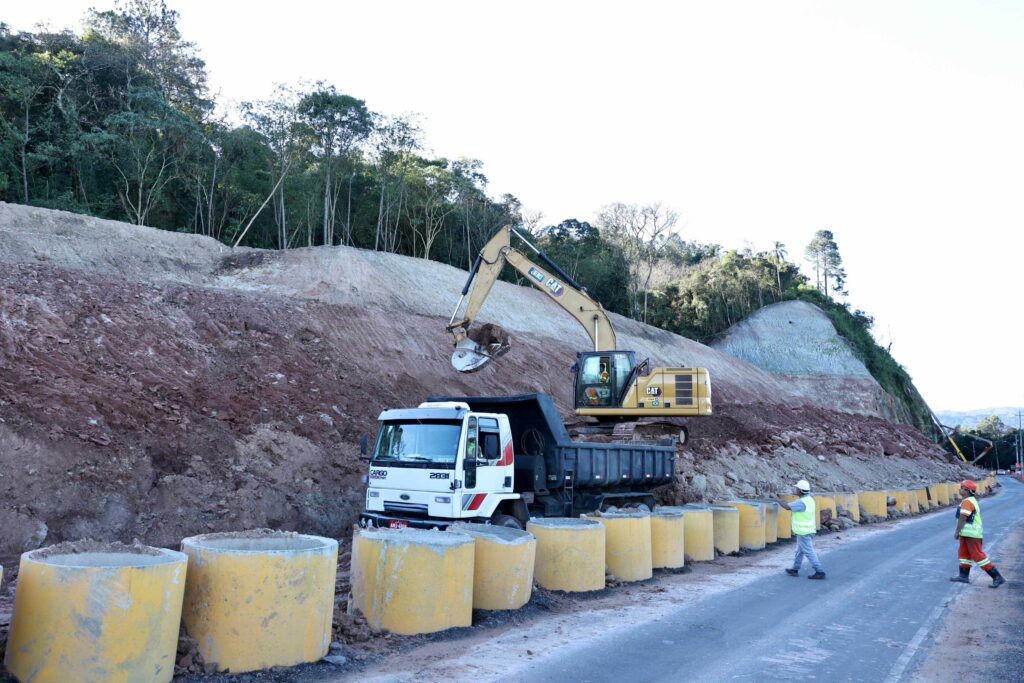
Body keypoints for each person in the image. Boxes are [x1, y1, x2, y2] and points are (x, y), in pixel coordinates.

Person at [951, 479, 1005, 588]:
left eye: (962, 487)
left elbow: (963, 518)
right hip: (967, 534)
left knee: (978, 556)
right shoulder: (968, 500)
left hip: (972, 534)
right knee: (964, 554)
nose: (960, 489)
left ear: (968, 490)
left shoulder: (968, 502)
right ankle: (963, 576)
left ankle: (997, 577)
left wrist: (957, 531)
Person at [776, 479, 826, 579]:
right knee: (799, 551)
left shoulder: (802, 502)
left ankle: (819, 571)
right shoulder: (808, 499)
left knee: (809, 551)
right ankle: (795, 569)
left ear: (800, 491)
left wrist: (776, 499)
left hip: (804, 532)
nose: (793, 489)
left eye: (796, 488)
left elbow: (786, 506)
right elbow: (789, 504)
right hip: (807, 530)